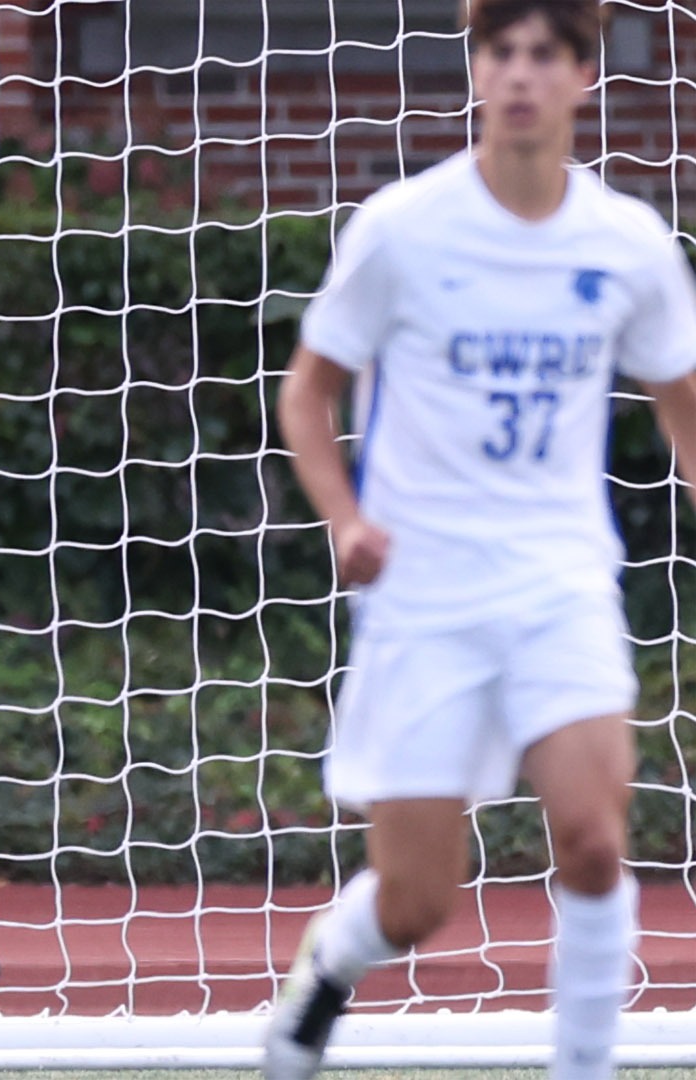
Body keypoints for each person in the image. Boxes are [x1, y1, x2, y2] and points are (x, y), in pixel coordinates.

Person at [267, 2, 696, 1078]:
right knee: (418, 903)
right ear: (475, 71)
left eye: (544, 54)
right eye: (499, 51)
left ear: (584, 77)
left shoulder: (627, 243)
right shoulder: (404, 229)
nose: (519, 74)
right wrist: (347, 518)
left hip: (561, 579)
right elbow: (307, 396)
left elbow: (682, 402)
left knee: (596, 840)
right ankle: (328, 966)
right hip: (424, 594)